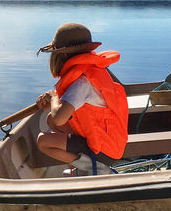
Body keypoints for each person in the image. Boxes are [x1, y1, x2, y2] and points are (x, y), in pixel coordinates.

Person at [35, 23, 129, 175]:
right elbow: (60, 116)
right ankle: (89, 162)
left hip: (103, 150)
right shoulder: (90, 72)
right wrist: (54, 101)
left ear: (61, 55)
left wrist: (53, 97)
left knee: (43, 141)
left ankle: (95, 167)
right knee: (49, 120)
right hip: (107, 142)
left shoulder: (81, 82)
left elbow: (59, 118)